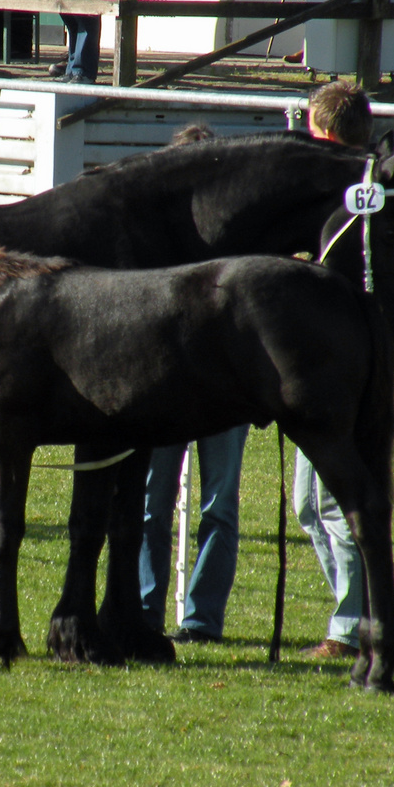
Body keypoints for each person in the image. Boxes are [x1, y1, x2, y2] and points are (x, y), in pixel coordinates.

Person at [136, 123, 251, 645]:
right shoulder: (154, 235)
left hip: (223, 384)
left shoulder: (241, 235)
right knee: (153, 503)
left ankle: (200, 620)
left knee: (214, 505)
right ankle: (144, 611)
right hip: (170, 382)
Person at [295, 79, 373, 659]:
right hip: (320, 362)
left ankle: (351, 626)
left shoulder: (355, 196)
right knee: (308, 505)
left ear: (321, 131)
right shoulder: (351, 192)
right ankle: (355, 611)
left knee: (329, 503)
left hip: (333, 366)